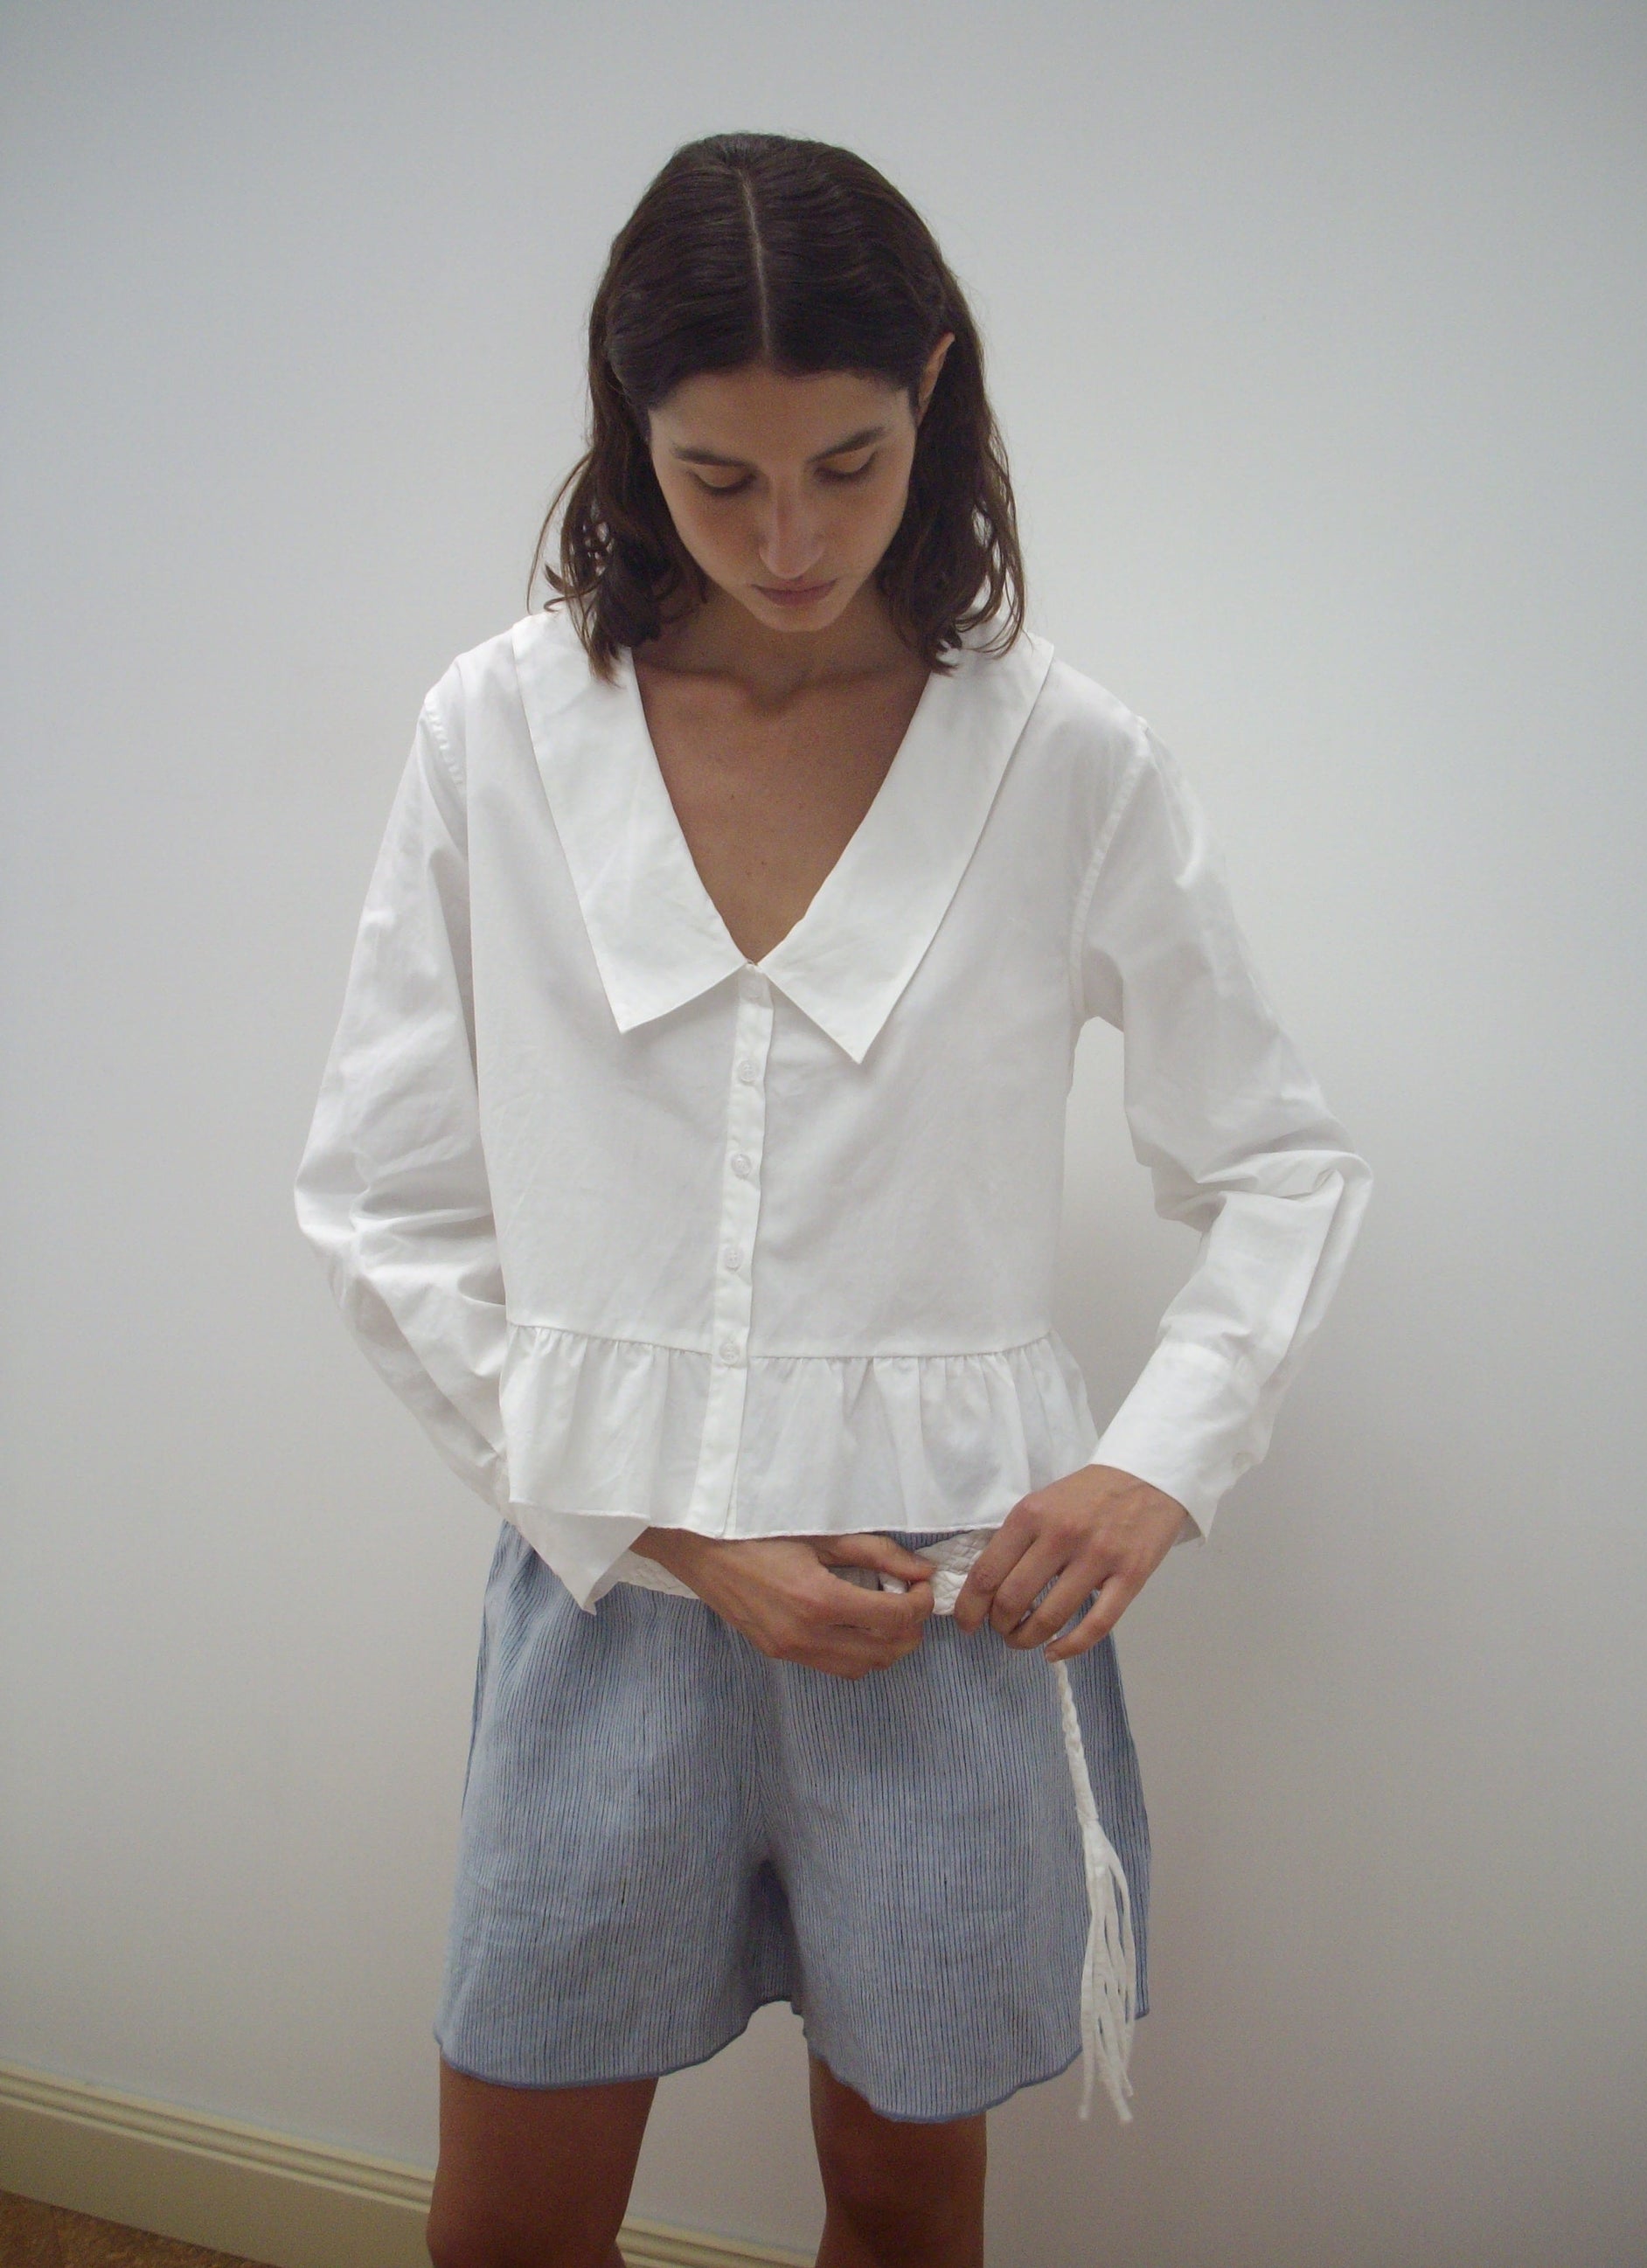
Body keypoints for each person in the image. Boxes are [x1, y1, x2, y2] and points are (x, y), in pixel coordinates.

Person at [294, 131, 1372, 2268]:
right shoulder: (502, 734)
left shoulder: (1062, 759)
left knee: (899, 2193)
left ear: (937, 399)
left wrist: (1156, 1460)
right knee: (506, 2218)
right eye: (719, 476)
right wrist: (697, 1537)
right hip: (614, 1589)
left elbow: (1281, 1159)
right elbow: (378, 1206)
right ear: (631, 427)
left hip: (942, 1611)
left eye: (851, 464)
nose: (791, 538)